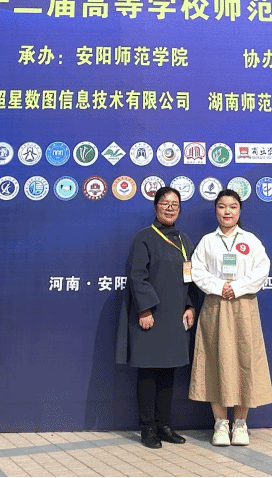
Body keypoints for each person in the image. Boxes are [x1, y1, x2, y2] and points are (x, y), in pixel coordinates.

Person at [116, 186, 199, 448]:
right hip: (151, 316)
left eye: (175, 204)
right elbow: (137, 276)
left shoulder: (184, 240)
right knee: (149, 372)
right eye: (165, 203)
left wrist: (190, 305)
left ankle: (164, 425)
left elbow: (191, 277)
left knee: (168, 372)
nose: (170, 208)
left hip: (175, 317)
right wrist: (144, 309)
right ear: (155, 207)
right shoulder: (145, 237)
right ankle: (147, 428)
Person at [189, 189, 272, 447]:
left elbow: (262, 270)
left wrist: (236, 287)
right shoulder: (207, 241)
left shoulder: (251, 240)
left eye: (233, 206)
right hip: (215, 306)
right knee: (216, 360)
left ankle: (240, 423)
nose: (227, 211)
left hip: (243, 305)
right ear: (216, 210)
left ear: (239, 211)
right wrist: (219, 287)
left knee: (244, 359)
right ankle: (220, 423)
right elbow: (197, 271)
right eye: (222, 206)